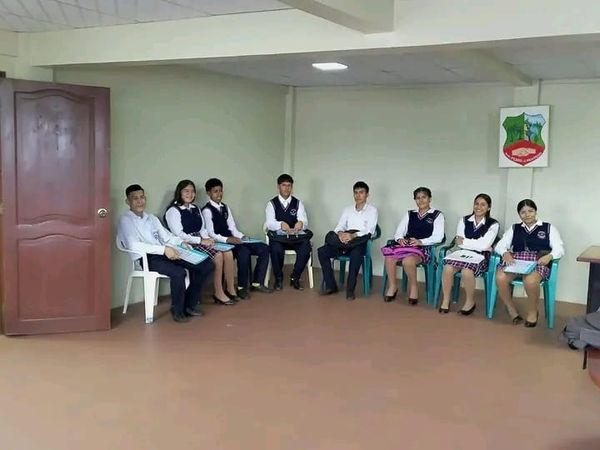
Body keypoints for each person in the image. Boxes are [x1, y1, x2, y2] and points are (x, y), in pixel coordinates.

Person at [117, 184, 214, 323]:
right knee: (178, 272)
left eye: (142, 197)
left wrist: (181, 243)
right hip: (147, 258)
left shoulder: (151, 218)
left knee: (206, 265)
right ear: (128, 201)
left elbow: (167, 237)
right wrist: (163, 250)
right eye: (135, 198)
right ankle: (177, 311)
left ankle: (189, 305)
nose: (139, 201)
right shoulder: (126, 220)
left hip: (165, 252)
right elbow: (133, 245)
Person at [164, 180, 237, 306]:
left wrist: (208, 239)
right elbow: (179, 234)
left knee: (228, 252)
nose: (190, 194)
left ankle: (230, 289)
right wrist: (200, 241)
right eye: (186, 191)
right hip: (185, 245)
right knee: (218, 255)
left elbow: (202, 229)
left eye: (192, 191)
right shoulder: (173, 210)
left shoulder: (195, 208)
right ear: (179, 192)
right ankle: (218, 292)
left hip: (200, 242)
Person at [494, 199, 564, 328]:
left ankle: (533, 311)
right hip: (517, 260)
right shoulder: (515, 228)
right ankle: (511, 308)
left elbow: (559, 248)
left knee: (530, 281)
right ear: (519, 214)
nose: (527, 215)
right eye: (523, 212)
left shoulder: (548, 227)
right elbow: (500, 245)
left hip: (537, 261)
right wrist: (505, 253)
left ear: (535, 211)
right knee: (500, 277)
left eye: (530, 211)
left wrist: (550, 256)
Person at [202, 178, 273, 299]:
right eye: (215, 191)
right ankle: (241, 288)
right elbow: (211, 234)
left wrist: (242, 236)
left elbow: (232, 228)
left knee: (264, 248)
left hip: (233, 239)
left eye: (220, 191)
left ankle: (257, 282)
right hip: (222, 243)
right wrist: (227, 240)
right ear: (209, 193)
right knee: (244, 252)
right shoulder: (207, 211)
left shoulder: (225, 207)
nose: (219, 194)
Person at [438, 194, 499, 315]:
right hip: (463, 253)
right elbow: (459, 244)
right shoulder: (464, 220)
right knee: (448, 268)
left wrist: (465, 242)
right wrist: (475, 243)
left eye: (483, 204)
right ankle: (446, 300)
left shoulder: (493, 224)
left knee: (467, 271)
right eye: (476, 203)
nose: (478, 207)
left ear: (489, 207)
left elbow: (484, 245)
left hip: (481, 256)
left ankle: (470, 302)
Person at [383, 187, 445, 305]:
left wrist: (421, 242)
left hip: (424, 249)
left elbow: (439, 237)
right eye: (418, 198)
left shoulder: (437, 215)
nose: (421, 200)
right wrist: (400, 239)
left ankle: (413, 287)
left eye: (424, 197)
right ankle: (393, 286)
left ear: (429, 199)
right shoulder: (410, 214)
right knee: (389, 258)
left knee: (408, 261)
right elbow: (399, 232)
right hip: (407, 246)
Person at [318, 181, 378, 300]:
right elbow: (340, 226)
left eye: (361, 192)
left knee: (356, 254)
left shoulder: (372, 210)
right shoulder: (347, 209)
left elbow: (370, 230)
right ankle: (331, 286)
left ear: (367, 195)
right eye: (356, 193)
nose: (358, 195)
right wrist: (341, 234)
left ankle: (350, 290)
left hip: (359, 241)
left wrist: (353, 236)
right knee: (322, 251)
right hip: (344, 240)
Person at [265, 173, 312, 290]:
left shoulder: (298, 203)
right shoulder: (271, 204)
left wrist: (301, 223)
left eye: (289, 185)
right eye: (284, 185)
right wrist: (280, 224)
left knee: (306, 248)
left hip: (296, 238)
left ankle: (295, 277)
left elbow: (305, 221)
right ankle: (278, 278)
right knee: (275, 249)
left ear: (292, 187)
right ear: (278, 187)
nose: (286, 188)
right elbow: (269, 224)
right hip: (279, 238)